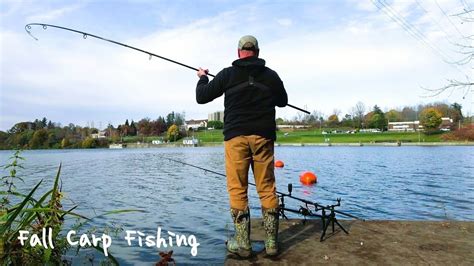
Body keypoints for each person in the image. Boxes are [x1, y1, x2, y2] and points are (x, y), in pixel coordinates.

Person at [195, 35, 288, 258]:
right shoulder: (271, 76)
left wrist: (202, 78)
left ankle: (244, 245)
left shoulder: (227, 74)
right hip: (263, 138)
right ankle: (272, 244)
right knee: (267, 187)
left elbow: (202, 97)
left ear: (239, 52)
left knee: (238, 189)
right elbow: (283, 100)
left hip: (236, 138)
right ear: (257, 51)